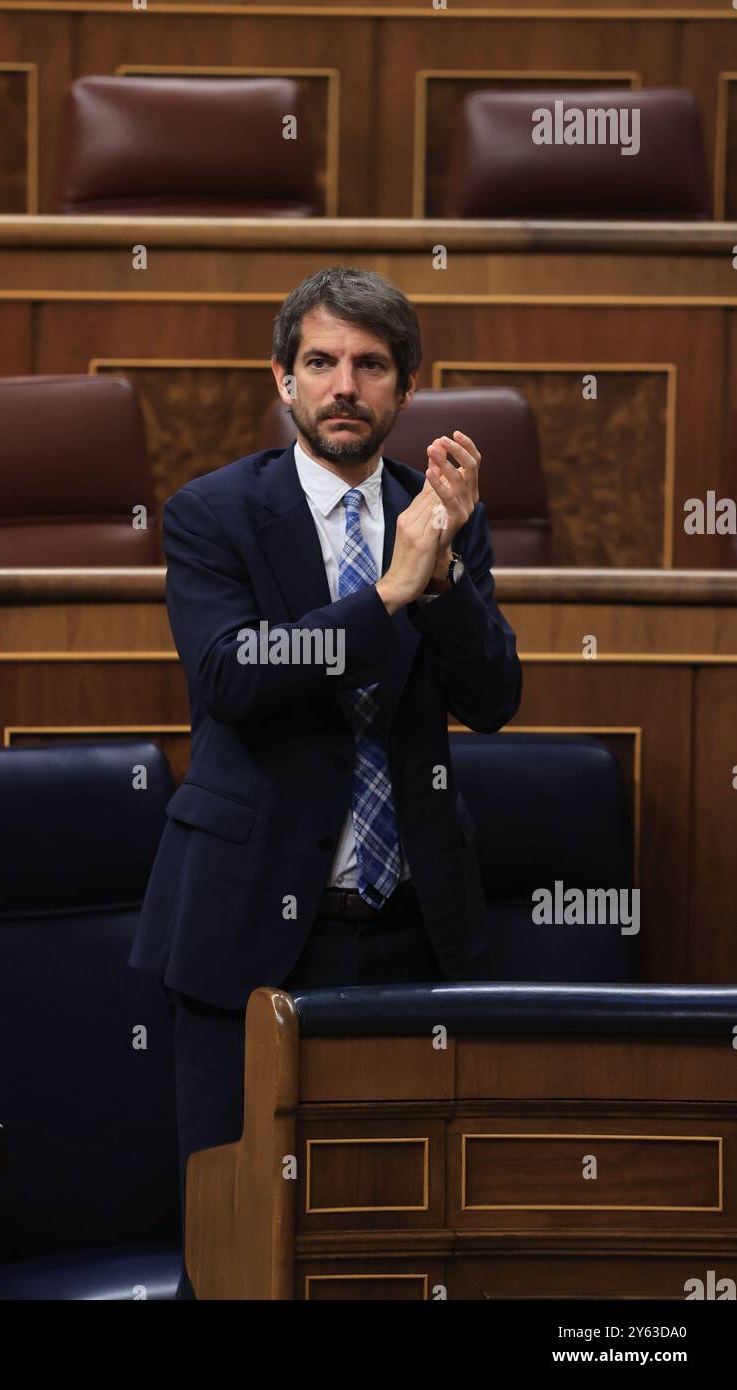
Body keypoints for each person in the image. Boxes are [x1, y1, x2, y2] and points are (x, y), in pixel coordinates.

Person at [127, 266, 522, 1298]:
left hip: (411, 926)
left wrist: (440, 580)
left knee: (398, 1228)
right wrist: (388, 591)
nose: (344, 384)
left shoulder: (441, 513)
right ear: (283, 380)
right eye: (321, 362)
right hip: (248, 922)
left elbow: (492, 695)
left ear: (403, 389)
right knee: (238, 1235)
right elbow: (234, 677)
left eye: (371, 365)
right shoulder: (213, 513)